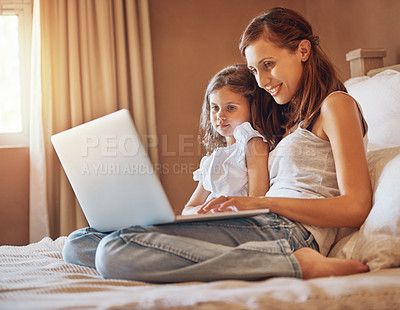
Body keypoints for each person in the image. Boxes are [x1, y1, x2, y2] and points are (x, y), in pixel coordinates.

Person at [62, 7, 371, 283]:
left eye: (268, 64)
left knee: (113, 251)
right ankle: (256, 260)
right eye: (254, 70)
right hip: (261, 223)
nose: (262, 80)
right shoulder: (291, 120)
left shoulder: (336, 106)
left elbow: (356, 207)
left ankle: (295, 264)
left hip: (289, 232)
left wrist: (261, 203)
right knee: (80, 242)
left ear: (303, 50)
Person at [182, 64, 270, 215]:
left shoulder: (253, 144)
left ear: (252, 108)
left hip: (237, 223)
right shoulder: (213, 159)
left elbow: (257, 201)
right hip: (212, 221)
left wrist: (221, 210)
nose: (220, 116)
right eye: (215, 108)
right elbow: (187, 210)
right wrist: (207, 211)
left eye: (231, 108)